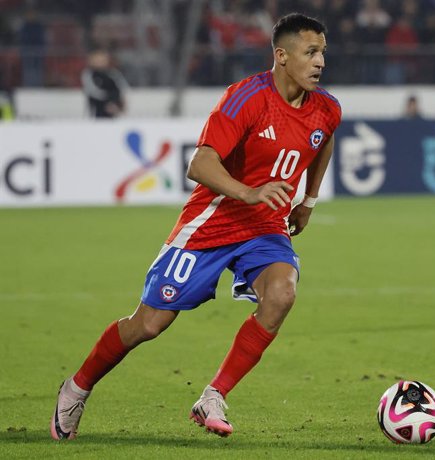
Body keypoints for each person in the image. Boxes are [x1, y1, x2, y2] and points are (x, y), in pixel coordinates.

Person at [51, 13, 341, 440]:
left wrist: (309, 201)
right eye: (310, 52)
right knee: (148, 324)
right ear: (281, 56)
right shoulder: (245, 98)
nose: (319, 62)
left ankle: (213, 395)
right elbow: (199, 164)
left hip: (264, 227)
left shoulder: (326, 108)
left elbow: (325, 139)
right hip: (213, 222)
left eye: (323, 53)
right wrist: (247, 191)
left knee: (282, 293)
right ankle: (76, 388)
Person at [81, 49, 129, 118]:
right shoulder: (88, 74)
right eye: (97, 60)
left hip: (113, 105)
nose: (99, 62)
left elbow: (122, 87)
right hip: (97, 106)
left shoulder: (113, 73)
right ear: (91, 61)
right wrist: (108, 99)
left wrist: (115, 101)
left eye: (101, 60)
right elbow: (92, 91)